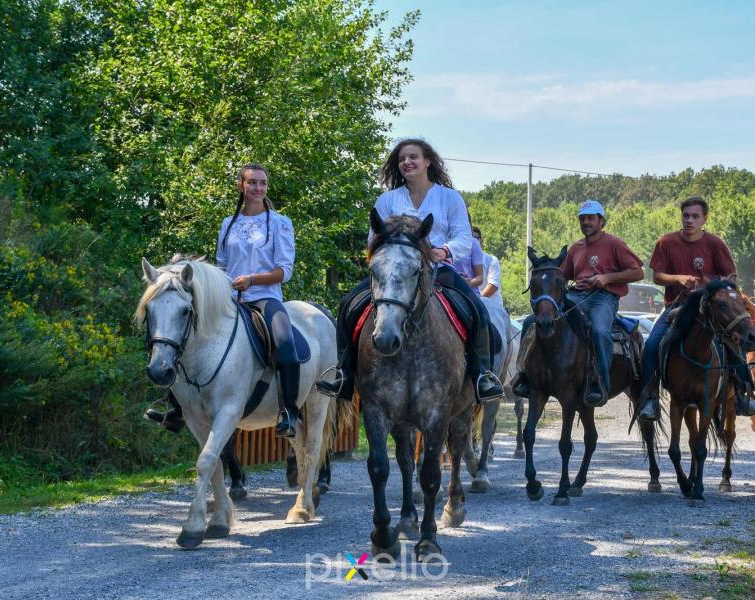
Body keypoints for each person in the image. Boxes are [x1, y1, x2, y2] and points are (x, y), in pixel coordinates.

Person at [315, 138, 504, 403]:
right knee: (348, 304)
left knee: (477, 308)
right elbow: (373, 240)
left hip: (437, 269)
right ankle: (343, 374)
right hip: (394, 273)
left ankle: (482, 375)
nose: (407, 162)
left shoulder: (450, 198)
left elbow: (463, 237)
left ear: (428, 161)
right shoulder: (387, 200)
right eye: (402, 159)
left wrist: (444, 251)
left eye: (413, 157)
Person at [146, 163, 302, 438]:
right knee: (184, 337)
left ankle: (289, 412)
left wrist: (251, 280)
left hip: (265, 298)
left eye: (262, 183)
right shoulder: (228, 224)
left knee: (286, 344)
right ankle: (176, 409)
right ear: (241, 186)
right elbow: (222, 265)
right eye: (252, 182)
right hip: (229, 299)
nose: (258, 188)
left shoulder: (280, 223)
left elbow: (284, 271)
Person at [637, 196, 755, 421]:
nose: (689, 220)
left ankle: (744, 395)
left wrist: (713, 289)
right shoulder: (666, 242)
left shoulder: (715, 243)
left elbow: (730, 276)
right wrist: (678, 278)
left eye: (695, 216)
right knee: (652, 344)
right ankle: (649, 398)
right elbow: (657, 276)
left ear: (704, 218)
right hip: (677, 306)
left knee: (734, 345)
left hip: (711, 308)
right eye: (686, 215)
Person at [512, 200, 644, 406]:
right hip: (576, 296)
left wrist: (606, 278)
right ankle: (524, 376)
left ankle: (600, 383)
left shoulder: (614, 244)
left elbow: (638, 272)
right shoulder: (576, 248)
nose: (586, 222)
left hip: (604, 297)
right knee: (531, 322)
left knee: (599, 331)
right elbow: (561, 278)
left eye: (591, 218)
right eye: (582, 218)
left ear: (601, 221)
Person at [473, 227, 503, 308]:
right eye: (470, 238)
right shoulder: (460, 262)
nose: (473, 242)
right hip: (471, 307)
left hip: (493, 309)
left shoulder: (492, 260)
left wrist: (476, 303)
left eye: (475, 238)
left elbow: (492, 286)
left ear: (481, 241)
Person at [453, 223, 485, 296]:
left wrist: (468, 283)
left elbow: (480, 278)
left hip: (468, 292)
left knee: (479, 307)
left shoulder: (473, 243)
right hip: (441, 288)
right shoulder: (438, 241)